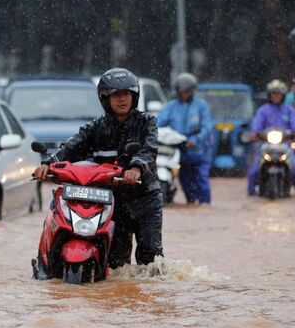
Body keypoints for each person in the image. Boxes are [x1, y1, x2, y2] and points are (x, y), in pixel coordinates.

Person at [33, 68, 163, 267]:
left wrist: (136, 168)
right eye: (116, 95)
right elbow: (72, 147)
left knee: (150, 258)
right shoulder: (95, 128)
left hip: (145, 198)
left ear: (134, 96)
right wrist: (48, 164)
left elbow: (149, 149)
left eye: (126, 94)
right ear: (105, 99)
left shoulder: (147, 122)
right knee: (116, 263)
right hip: (112, 201)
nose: (122, 99)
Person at [157, 72, 213, 204]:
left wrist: (196, 139)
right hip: (179, 149)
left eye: (186, 91)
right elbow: (159, 122)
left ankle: (205, 204)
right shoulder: (171, 106)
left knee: (201, 178)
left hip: (199, 150)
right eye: (180, 91)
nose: (183, 94)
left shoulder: (201, 106)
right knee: (184, 180)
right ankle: (191, 202)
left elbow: (207, 127)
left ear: (192, 91)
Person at [247, 79, 295, 197]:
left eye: (278, 94)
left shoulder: (289, 110)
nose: (276, 96)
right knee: (253, 172)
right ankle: (251, 193)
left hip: (285, 146)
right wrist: (254, 133)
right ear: (269, 95)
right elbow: (256, 124)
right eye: (274, 94)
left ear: (283, 96)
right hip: (265, 146)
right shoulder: (263, 110)